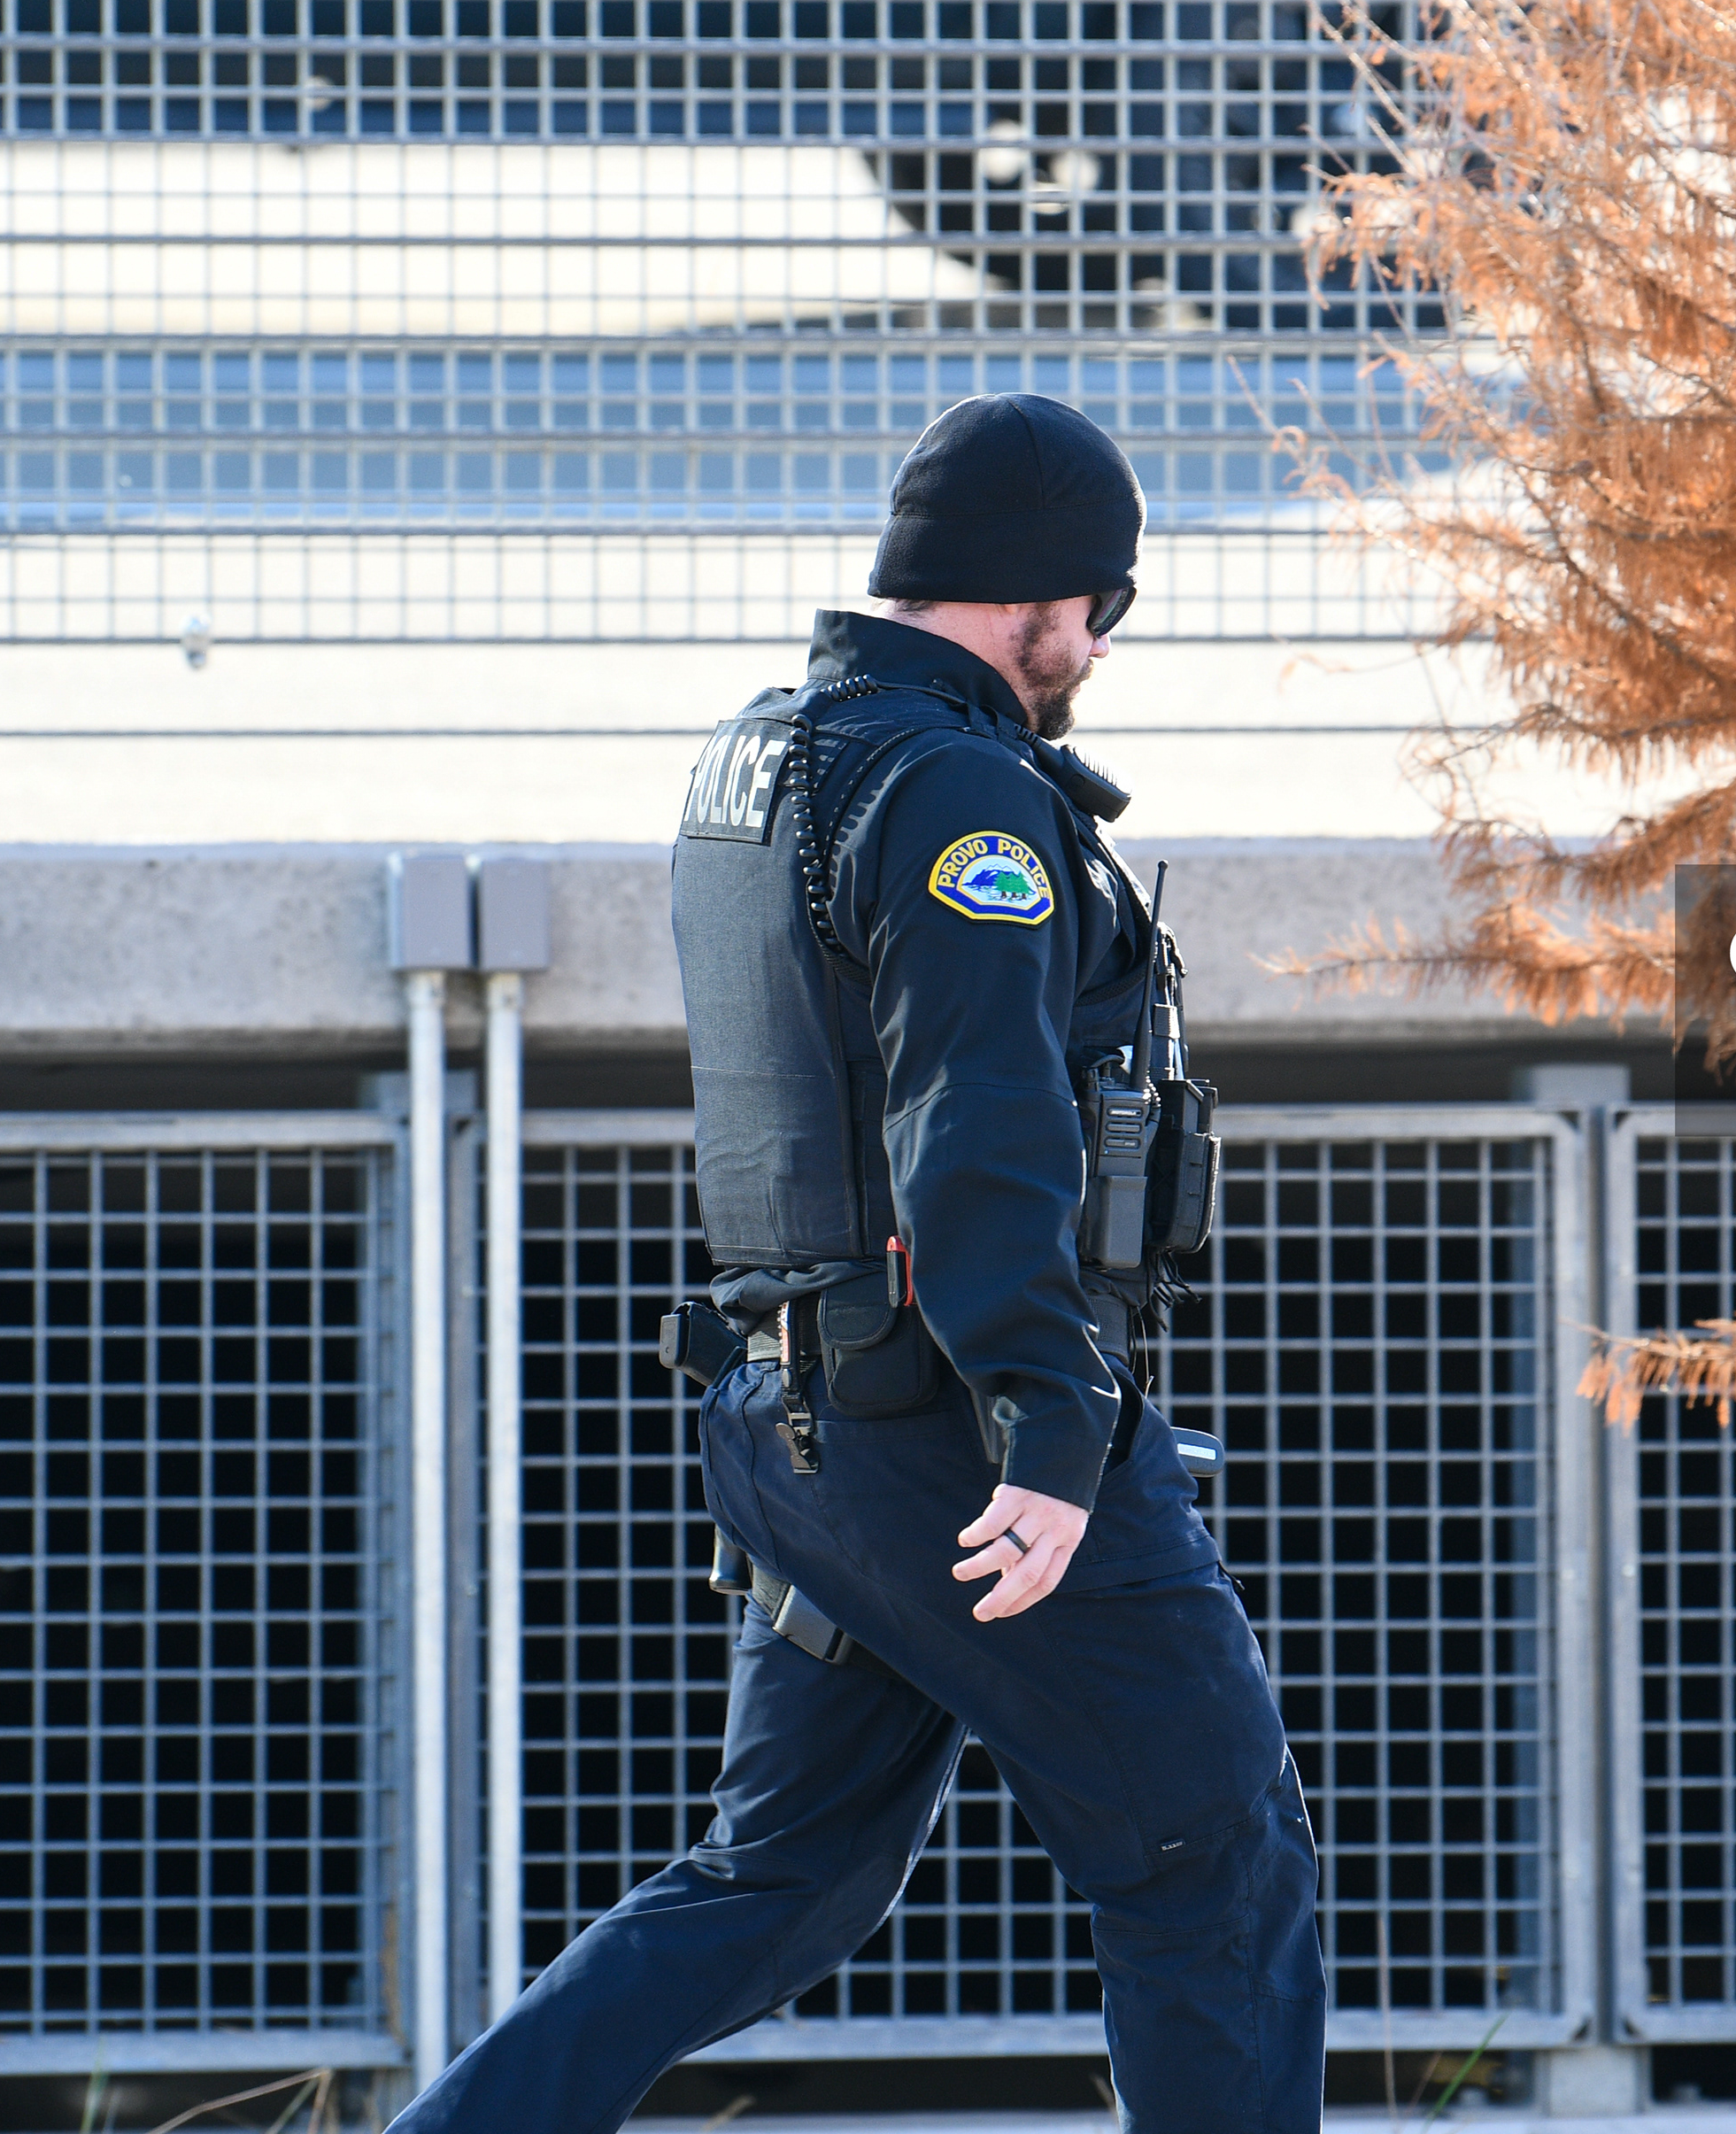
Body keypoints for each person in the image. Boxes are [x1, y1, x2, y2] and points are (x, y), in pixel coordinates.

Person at [384, 394, 1324, 2132]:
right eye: (1099, 611)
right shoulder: (959, 785)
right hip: (957, 1426)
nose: (1097, 650)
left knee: (780, 1879)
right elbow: (980, 1129)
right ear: (1036, 592)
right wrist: (1052, 1429)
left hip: (792, 1412)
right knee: (1217, 1852)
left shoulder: (769, 748)